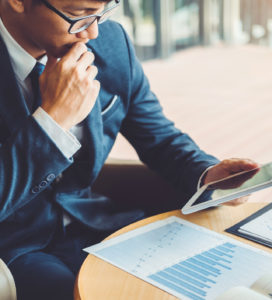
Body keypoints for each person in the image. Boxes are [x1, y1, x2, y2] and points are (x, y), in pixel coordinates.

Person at [0, 0, 258, 299]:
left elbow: (158, 137)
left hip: (96, 221)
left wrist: (207, 173)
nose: (93, 32)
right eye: (78, 15)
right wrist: (53, 121)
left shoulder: (112, 43)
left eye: (101, 12)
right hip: (16, 245)